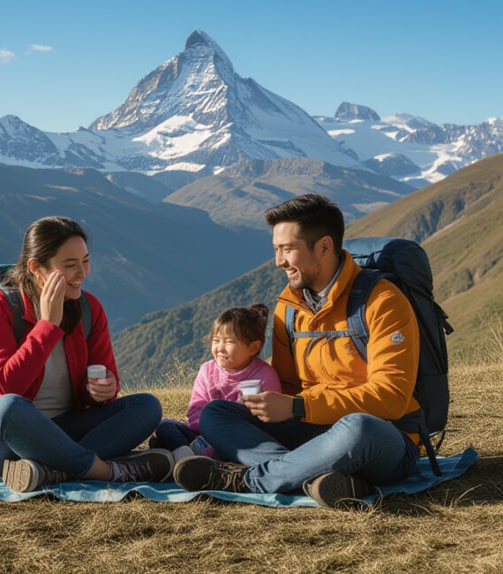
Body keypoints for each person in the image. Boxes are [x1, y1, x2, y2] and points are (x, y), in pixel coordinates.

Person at [173, 194, 422, 507]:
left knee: (359, 427)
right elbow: (287, 385)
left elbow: (390, 398)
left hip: (384, 437)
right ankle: (317, 476)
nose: (279, 261)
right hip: (310, 432)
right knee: (216, 413)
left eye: (287, 249)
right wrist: (273, 405)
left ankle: (247, 478)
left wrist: (298, 407)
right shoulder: (289, 307)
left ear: (324, 246)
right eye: (276, 250)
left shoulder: (383, 301)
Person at [0, 216, 172, 493]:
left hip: (61, 429)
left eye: (85, 261)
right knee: (9, 408)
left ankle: (48, 470)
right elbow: (8, 386)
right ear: (35, 268)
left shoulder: (90, 308)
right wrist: (47, 326)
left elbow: (104, 380)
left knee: (146, 407)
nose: (82, 273)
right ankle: (105, 471)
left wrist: (102, 391)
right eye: (70, 265)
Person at [150, 304, 281, 462]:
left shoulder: (264, 375)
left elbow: (270, 419)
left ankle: (185, 457)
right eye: (216, 341)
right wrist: (207, 432)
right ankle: (185, 455)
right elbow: (195, 410)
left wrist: (223, 435)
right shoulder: (207, 370)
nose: (220, 348)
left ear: (253, 348)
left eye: (229, 342)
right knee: (166, 426)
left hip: (238, 440)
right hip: (202, 436)